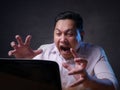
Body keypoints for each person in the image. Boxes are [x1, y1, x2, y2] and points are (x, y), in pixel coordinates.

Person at [8, 11, 118, 90]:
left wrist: (88, 80)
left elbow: (113, 86)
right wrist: (25, 62)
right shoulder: (44, 51)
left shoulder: (96, 52)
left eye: (69, 34)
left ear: (81, 35)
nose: (62, 39)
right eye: (58, 33)